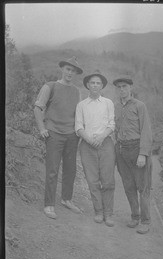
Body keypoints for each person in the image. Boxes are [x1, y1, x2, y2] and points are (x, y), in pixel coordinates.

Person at [34, 56, 83, 219]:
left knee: (70, 169)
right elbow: (37, 108)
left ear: (76, 73)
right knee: (52, 170)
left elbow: (79, 115)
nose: (70, 73)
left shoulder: (77, 91)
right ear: (62, 69)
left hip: (71, 135)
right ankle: (49, 205)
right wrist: (42, 128)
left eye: (73, 71)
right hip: (54, 133)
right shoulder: (50, 86)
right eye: (68, 69)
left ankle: (66, 199)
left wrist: (79, 132)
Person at [75, 70, 115, 227]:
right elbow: (78, 127)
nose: (95, 85)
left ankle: (108, 214)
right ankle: (98, 211)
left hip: (105, 144)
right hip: (87, 145)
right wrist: (90, 139)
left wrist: (101, 137)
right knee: (92, 181)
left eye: (98, 83)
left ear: (102, 86)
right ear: (87, 85)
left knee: (108, 180)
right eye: (92, 82)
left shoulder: (108, 103)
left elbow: (112, 124)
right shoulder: (81, 105)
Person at [113, 74, 153, 234]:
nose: (122, 89)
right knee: (128, 186)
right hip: (121, 150)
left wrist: (143, 154)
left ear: (131, 88)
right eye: (119, 87)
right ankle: (135, 216)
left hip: (137, 149)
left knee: (143, 187)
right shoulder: (115, 106)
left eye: (125, 87)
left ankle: (145, 220)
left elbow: (146, 131)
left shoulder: (139, 105)